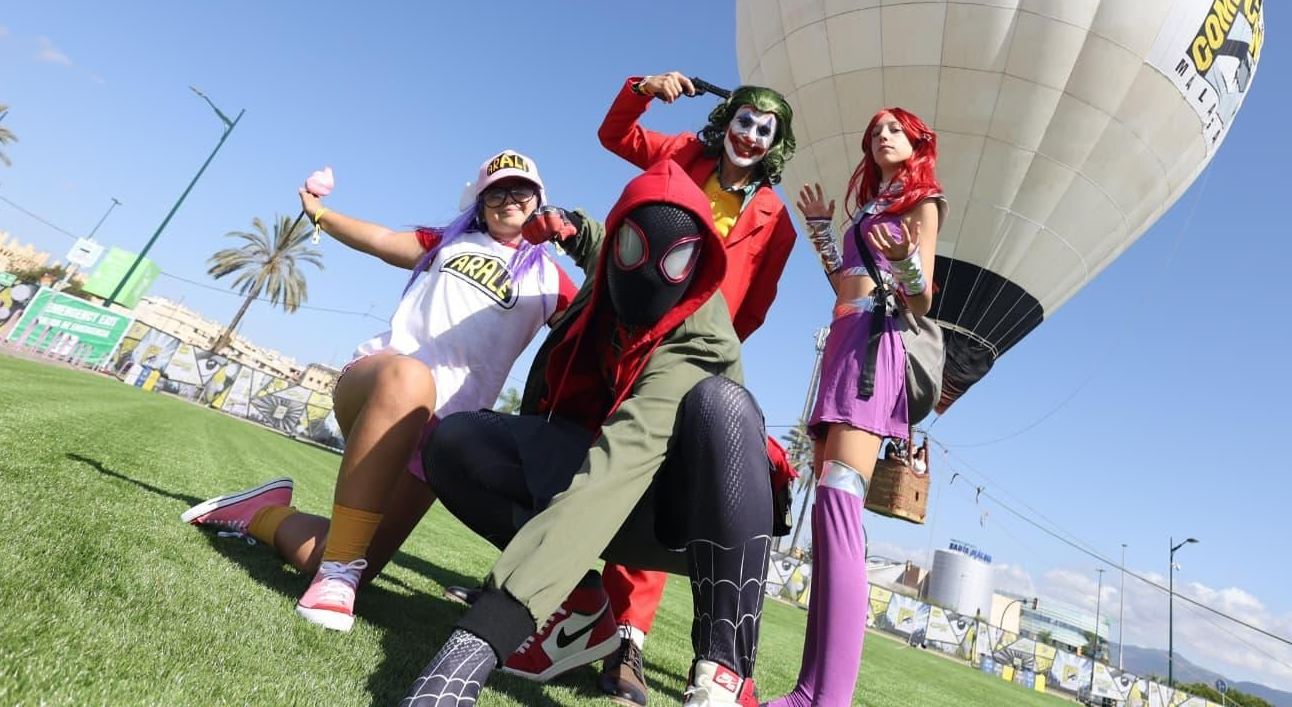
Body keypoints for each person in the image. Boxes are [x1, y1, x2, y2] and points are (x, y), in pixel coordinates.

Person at [399, 160, 781, 707]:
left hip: (681, 520)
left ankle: (725, 671)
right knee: (457, 444)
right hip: (597, 468)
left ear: (698, 265)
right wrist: (571, 224)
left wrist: (481, 638)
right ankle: (578, 606)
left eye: (676, 261)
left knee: (722, 403)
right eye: (631, 249)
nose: (649, 273)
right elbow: (602, 242)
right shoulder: (608, 271)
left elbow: (617, 466)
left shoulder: (701, 338)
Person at [180, 151, 577, 633]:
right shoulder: (449, 242)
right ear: (479, 202)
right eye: (495, 193)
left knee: (343, 562)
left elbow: (591, 326)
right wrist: (319, 213)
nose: (508, 200)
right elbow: (381, 239)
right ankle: (337, 572)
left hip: (444, 437)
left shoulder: (551, 280)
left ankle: (261, 513)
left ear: (539, 200)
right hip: (380, 383)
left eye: (521, 190)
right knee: (412, 377)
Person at [584, 70, 798, 705]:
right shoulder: (680, 154)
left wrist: (704, 349)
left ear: (776, 143)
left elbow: (754, 307)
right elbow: (614, 136)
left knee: (656, 482)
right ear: (725, 121)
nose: (750, 136)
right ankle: (543, 600)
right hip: (624, 336)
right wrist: (644, 89)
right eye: (743, 121)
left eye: (765, 130)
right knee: (578, 450)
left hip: (691, 360)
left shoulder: (778, 221)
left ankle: (626, 639)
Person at [765, 107, 945, 707]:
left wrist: (906, 258)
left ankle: (831, 697)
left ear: (917, 141)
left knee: (841, 509)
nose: (882, 136)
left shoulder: (923, 203)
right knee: (825, 516)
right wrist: (822, 230)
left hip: (874, 351)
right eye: (874, 131)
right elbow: (846, 282)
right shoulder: (869, 209)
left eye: (894, 129)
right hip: (841, 343)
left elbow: (920, 298)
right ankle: (808, 690)